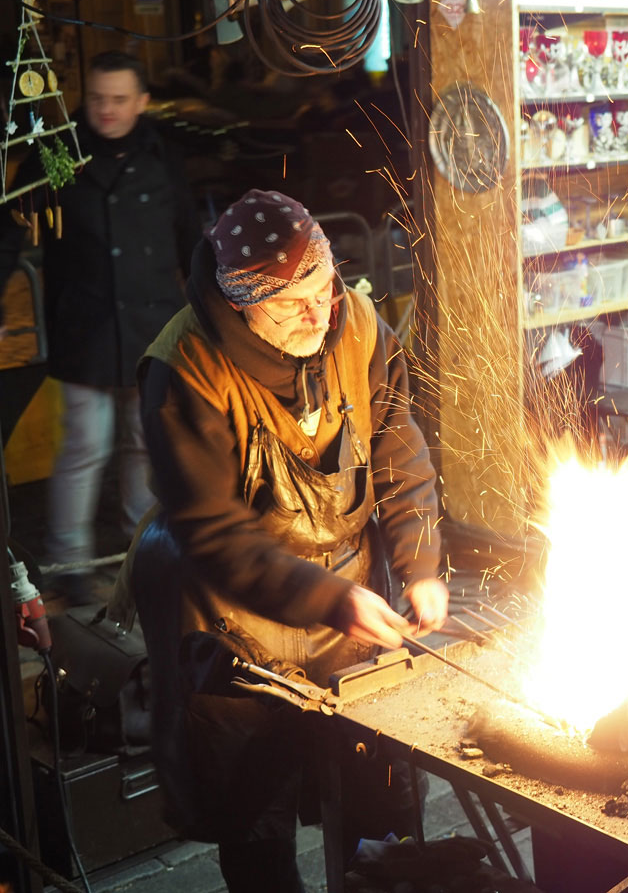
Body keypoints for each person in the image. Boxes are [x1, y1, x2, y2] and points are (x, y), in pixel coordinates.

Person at [110, 188, 448, 893]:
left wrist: (419, 563)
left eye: (323, 288)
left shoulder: (356, 324)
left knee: (376, 800)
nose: (317, 314)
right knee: (254, 822)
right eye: (289, 303)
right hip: (232, 630)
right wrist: (327, 598)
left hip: (346, 607)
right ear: (239, 304)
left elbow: (397, 448)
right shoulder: (184, 370)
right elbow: (216, 533)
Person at [0, 50, 200, 603]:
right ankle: (70, 563)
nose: (106, 110)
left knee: (144, 441)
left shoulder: (163, 156)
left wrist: (212, 300)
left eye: (118, 100)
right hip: (85, 321)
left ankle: (142, 549)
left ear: (142, 101)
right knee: (84, 444)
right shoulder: (57, 152)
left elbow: (188, 232)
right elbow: (12, 224)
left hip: (153, 323)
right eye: (96, 100)